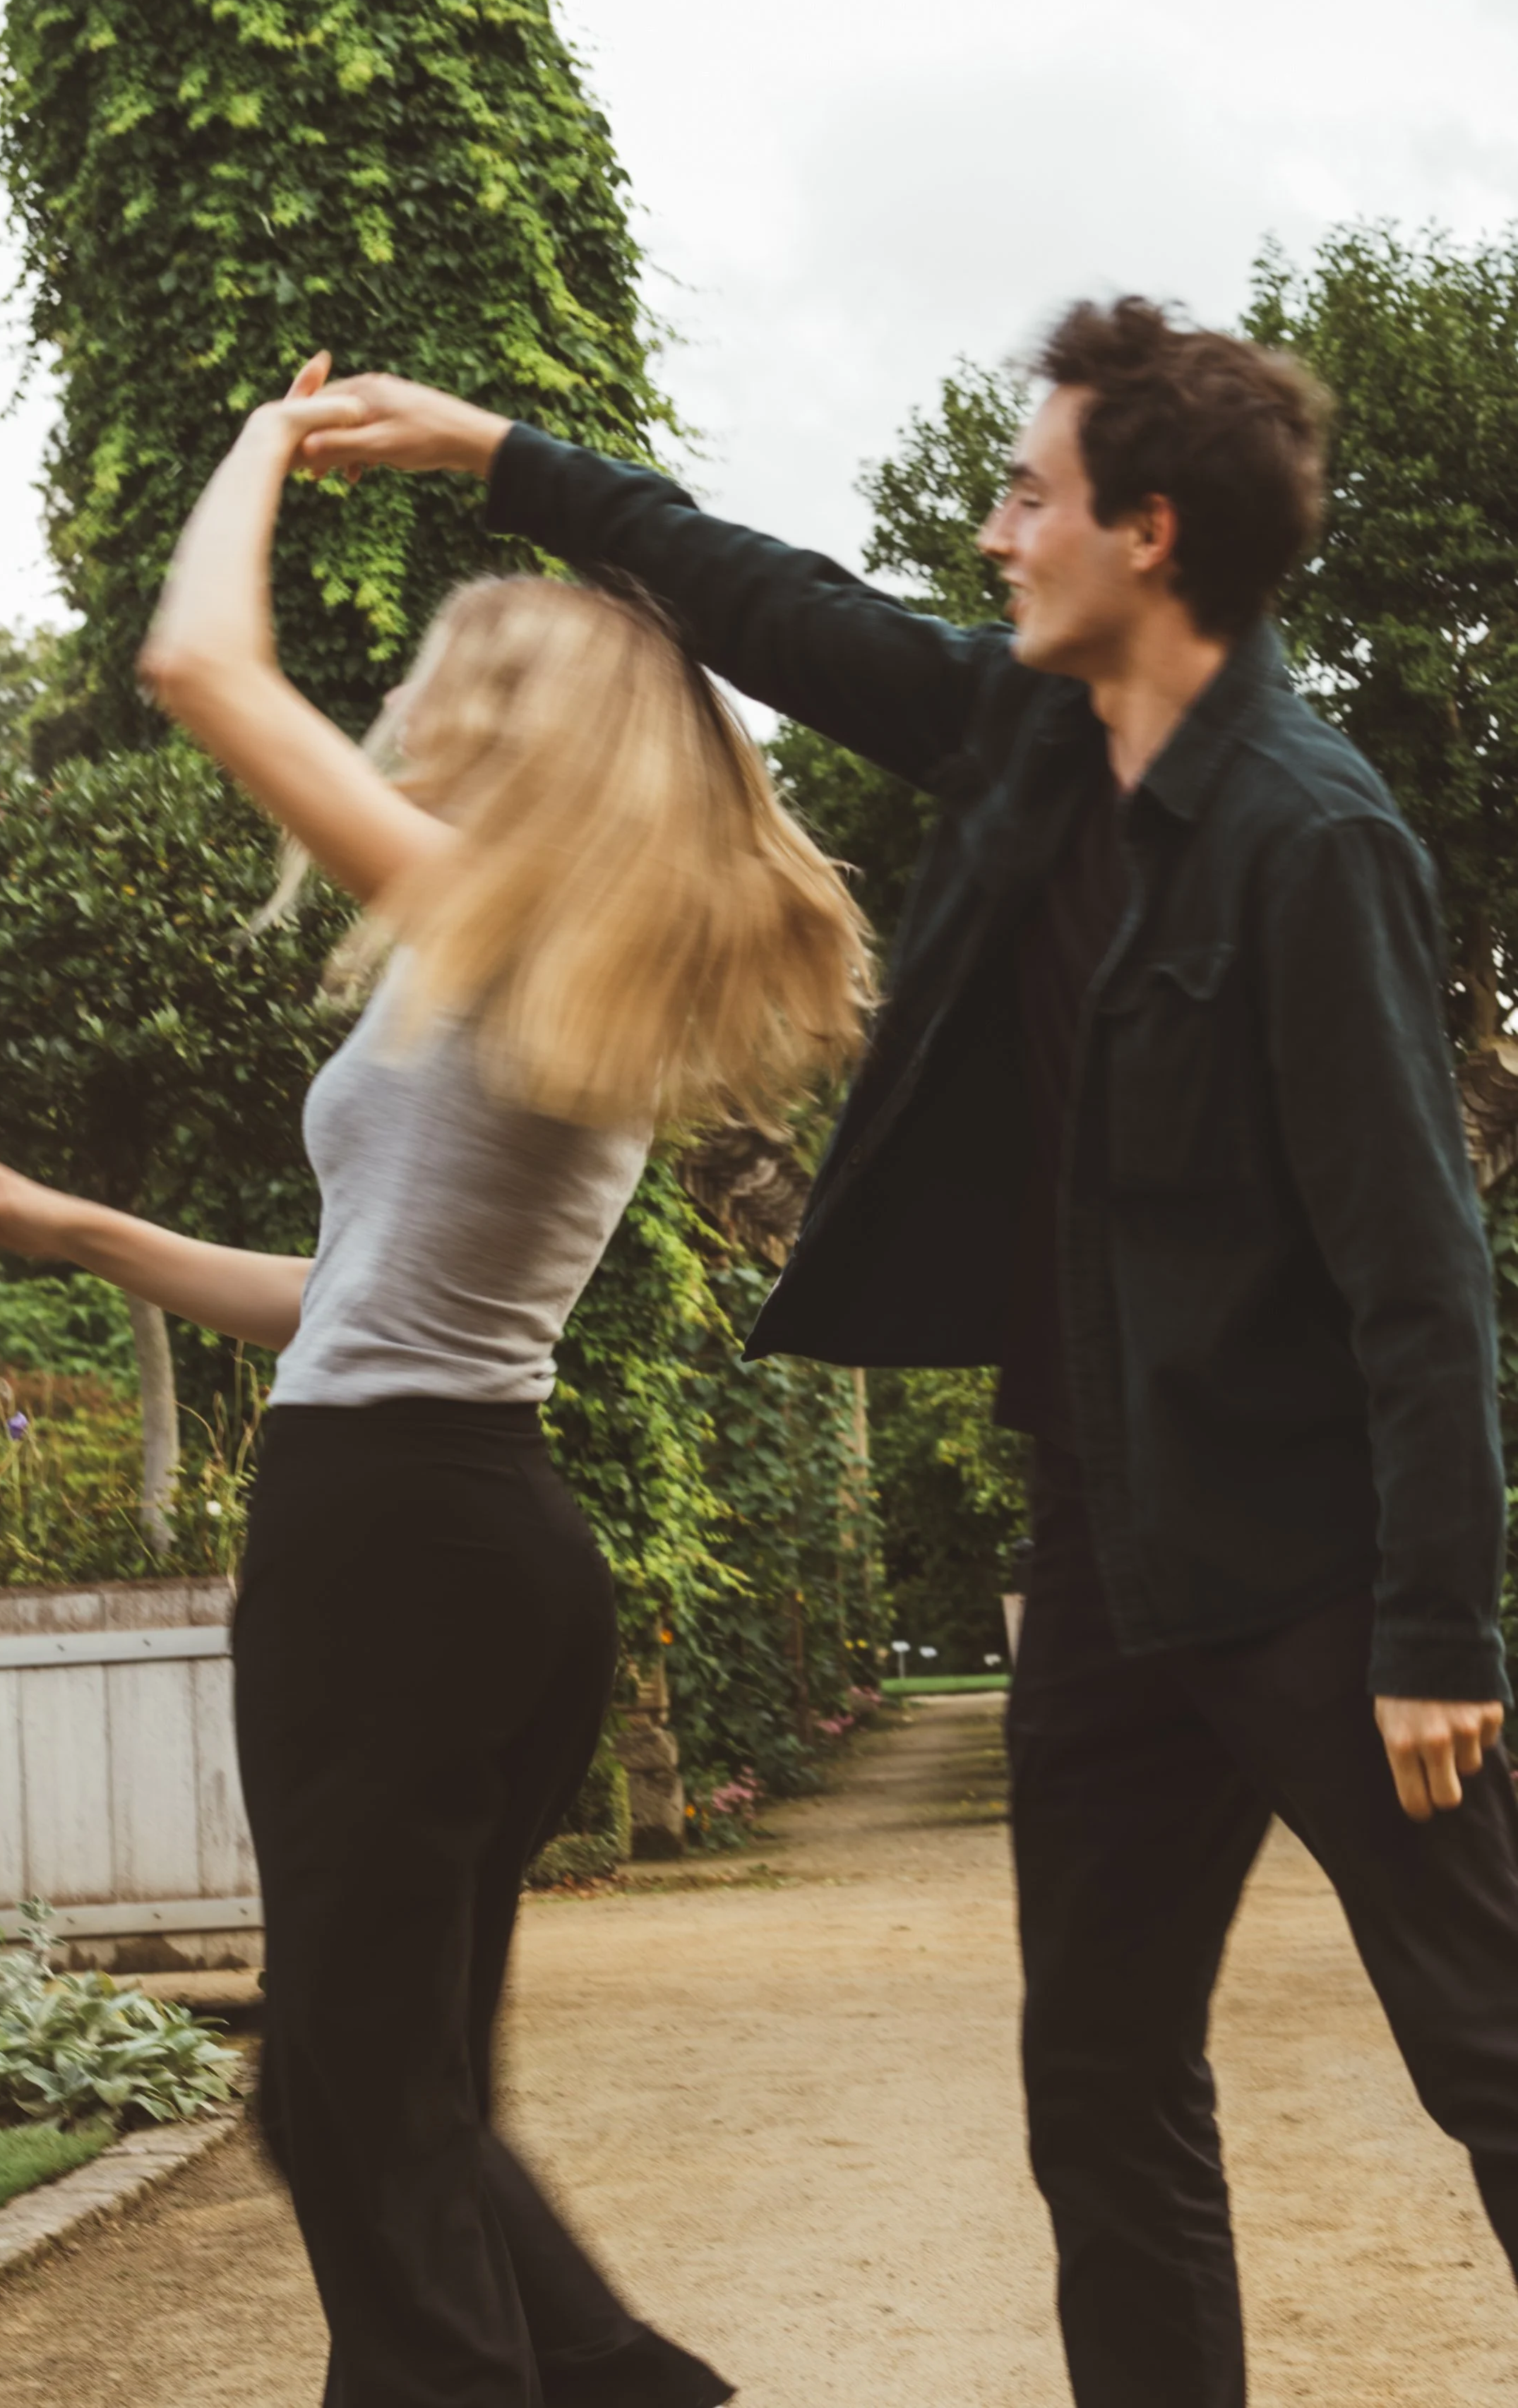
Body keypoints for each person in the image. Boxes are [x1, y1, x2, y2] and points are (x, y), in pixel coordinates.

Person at [292, 302, 1518, 2405]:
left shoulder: (1314, 840)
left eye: (1028, 495)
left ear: (1146, 533)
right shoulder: (1039, 739)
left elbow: (1421, 1266)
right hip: (1114, 1560)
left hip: (1318, 1575)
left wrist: (1440, 1621)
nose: (991, 531)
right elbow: (775, 603)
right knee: (1101, 2089)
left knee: (1495, 2053)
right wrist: (498, 451)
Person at [0, 356, 872, 2408]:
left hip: (393, 1552)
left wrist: (260, 434)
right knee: (379, 2101)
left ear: (518, 733)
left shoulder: (498, 932)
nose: (407, 716)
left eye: (445, 686)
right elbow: (348, 1298)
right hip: (466, 1533)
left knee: (368, 2105)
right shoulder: (534, 977)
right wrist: (76, 1231)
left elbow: (197, 661)